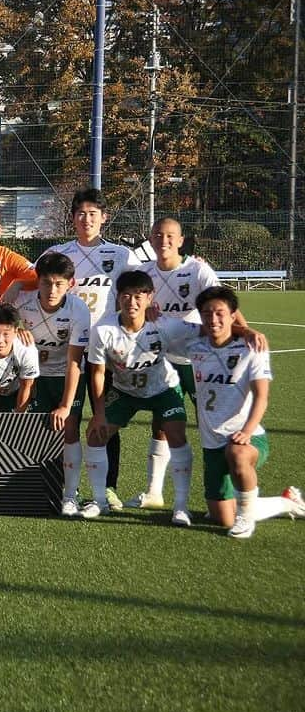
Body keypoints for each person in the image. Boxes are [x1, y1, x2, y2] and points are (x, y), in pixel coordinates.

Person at [84, 270, 212, 524]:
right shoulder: (103, 329)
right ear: (118, 298)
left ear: (150, 297)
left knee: (176, 435)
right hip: (124, 391)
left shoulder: (165, 324)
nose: (132, 302)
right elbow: (97, 373)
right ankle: (99, 501)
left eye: (139, 296)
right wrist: (98, 414)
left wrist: (245, 332)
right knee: (95, 435)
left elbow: (205, 329)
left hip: (162, 389)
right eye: (126, 296)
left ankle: (180, 507)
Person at [42, 188, 136, 510]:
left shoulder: (121, 255)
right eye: (81, 213)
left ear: (104, 218)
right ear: (72, 218)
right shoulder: (57, 253)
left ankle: (106, 488)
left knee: (104, 419)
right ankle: (60, 488)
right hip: (65, 351)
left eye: (93, 214)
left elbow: (142, 284)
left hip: (107, 352)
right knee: (65, 421)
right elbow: (33, 283)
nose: (86, 219)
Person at [184, 286, 303, 538]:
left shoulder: (251, 349)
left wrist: (247, 431)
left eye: (220, 313)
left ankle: (246, 519)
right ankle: (287, 502)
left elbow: (262, 395)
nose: (213, 319)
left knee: (236, 452)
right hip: (211, 442)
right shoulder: (194, 347)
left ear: (233, 314)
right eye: (206, 314)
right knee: (222, 517)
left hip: (248, 438)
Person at [127, 217, 220, 509]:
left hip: (199, 360)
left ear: (181, 240)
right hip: (162, 361)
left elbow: (219, 304)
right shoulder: (143, 273)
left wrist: (244, 332)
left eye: (170, 236)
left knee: (210, 423)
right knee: (162, 423)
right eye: (157, 235)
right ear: (150, 240)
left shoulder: (197, 269)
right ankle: (154, 492)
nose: (163, 240)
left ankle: (219, 493)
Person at [13, 252, 91, 515]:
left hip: (65, 376)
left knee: (68, 429)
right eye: (46, 282)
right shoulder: (23, 304)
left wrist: (66, 405)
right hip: (33, 376)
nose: (52, 289)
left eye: (59, 283)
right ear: (38, 281)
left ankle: (70, 495)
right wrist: (15, 322)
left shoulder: (78, 310)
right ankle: (34, 488)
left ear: (70, 283)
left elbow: (74, 363)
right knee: (31, 430)